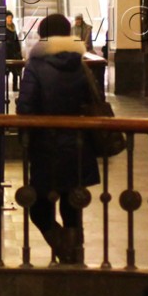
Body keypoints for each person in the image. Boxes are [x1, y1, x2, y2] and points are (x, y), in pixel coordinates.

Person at [16, 14, 98, 265]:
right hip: (78, 145)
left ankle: (64, 249)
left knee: (39, 208)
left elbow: (25, 107)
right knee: (72, 206)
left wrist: (25, 139)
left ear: (42, 35)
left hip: (45, 146)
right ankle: (73, 253)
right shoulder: (80, 64)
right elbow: (93, 101)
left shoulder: (35, 66)